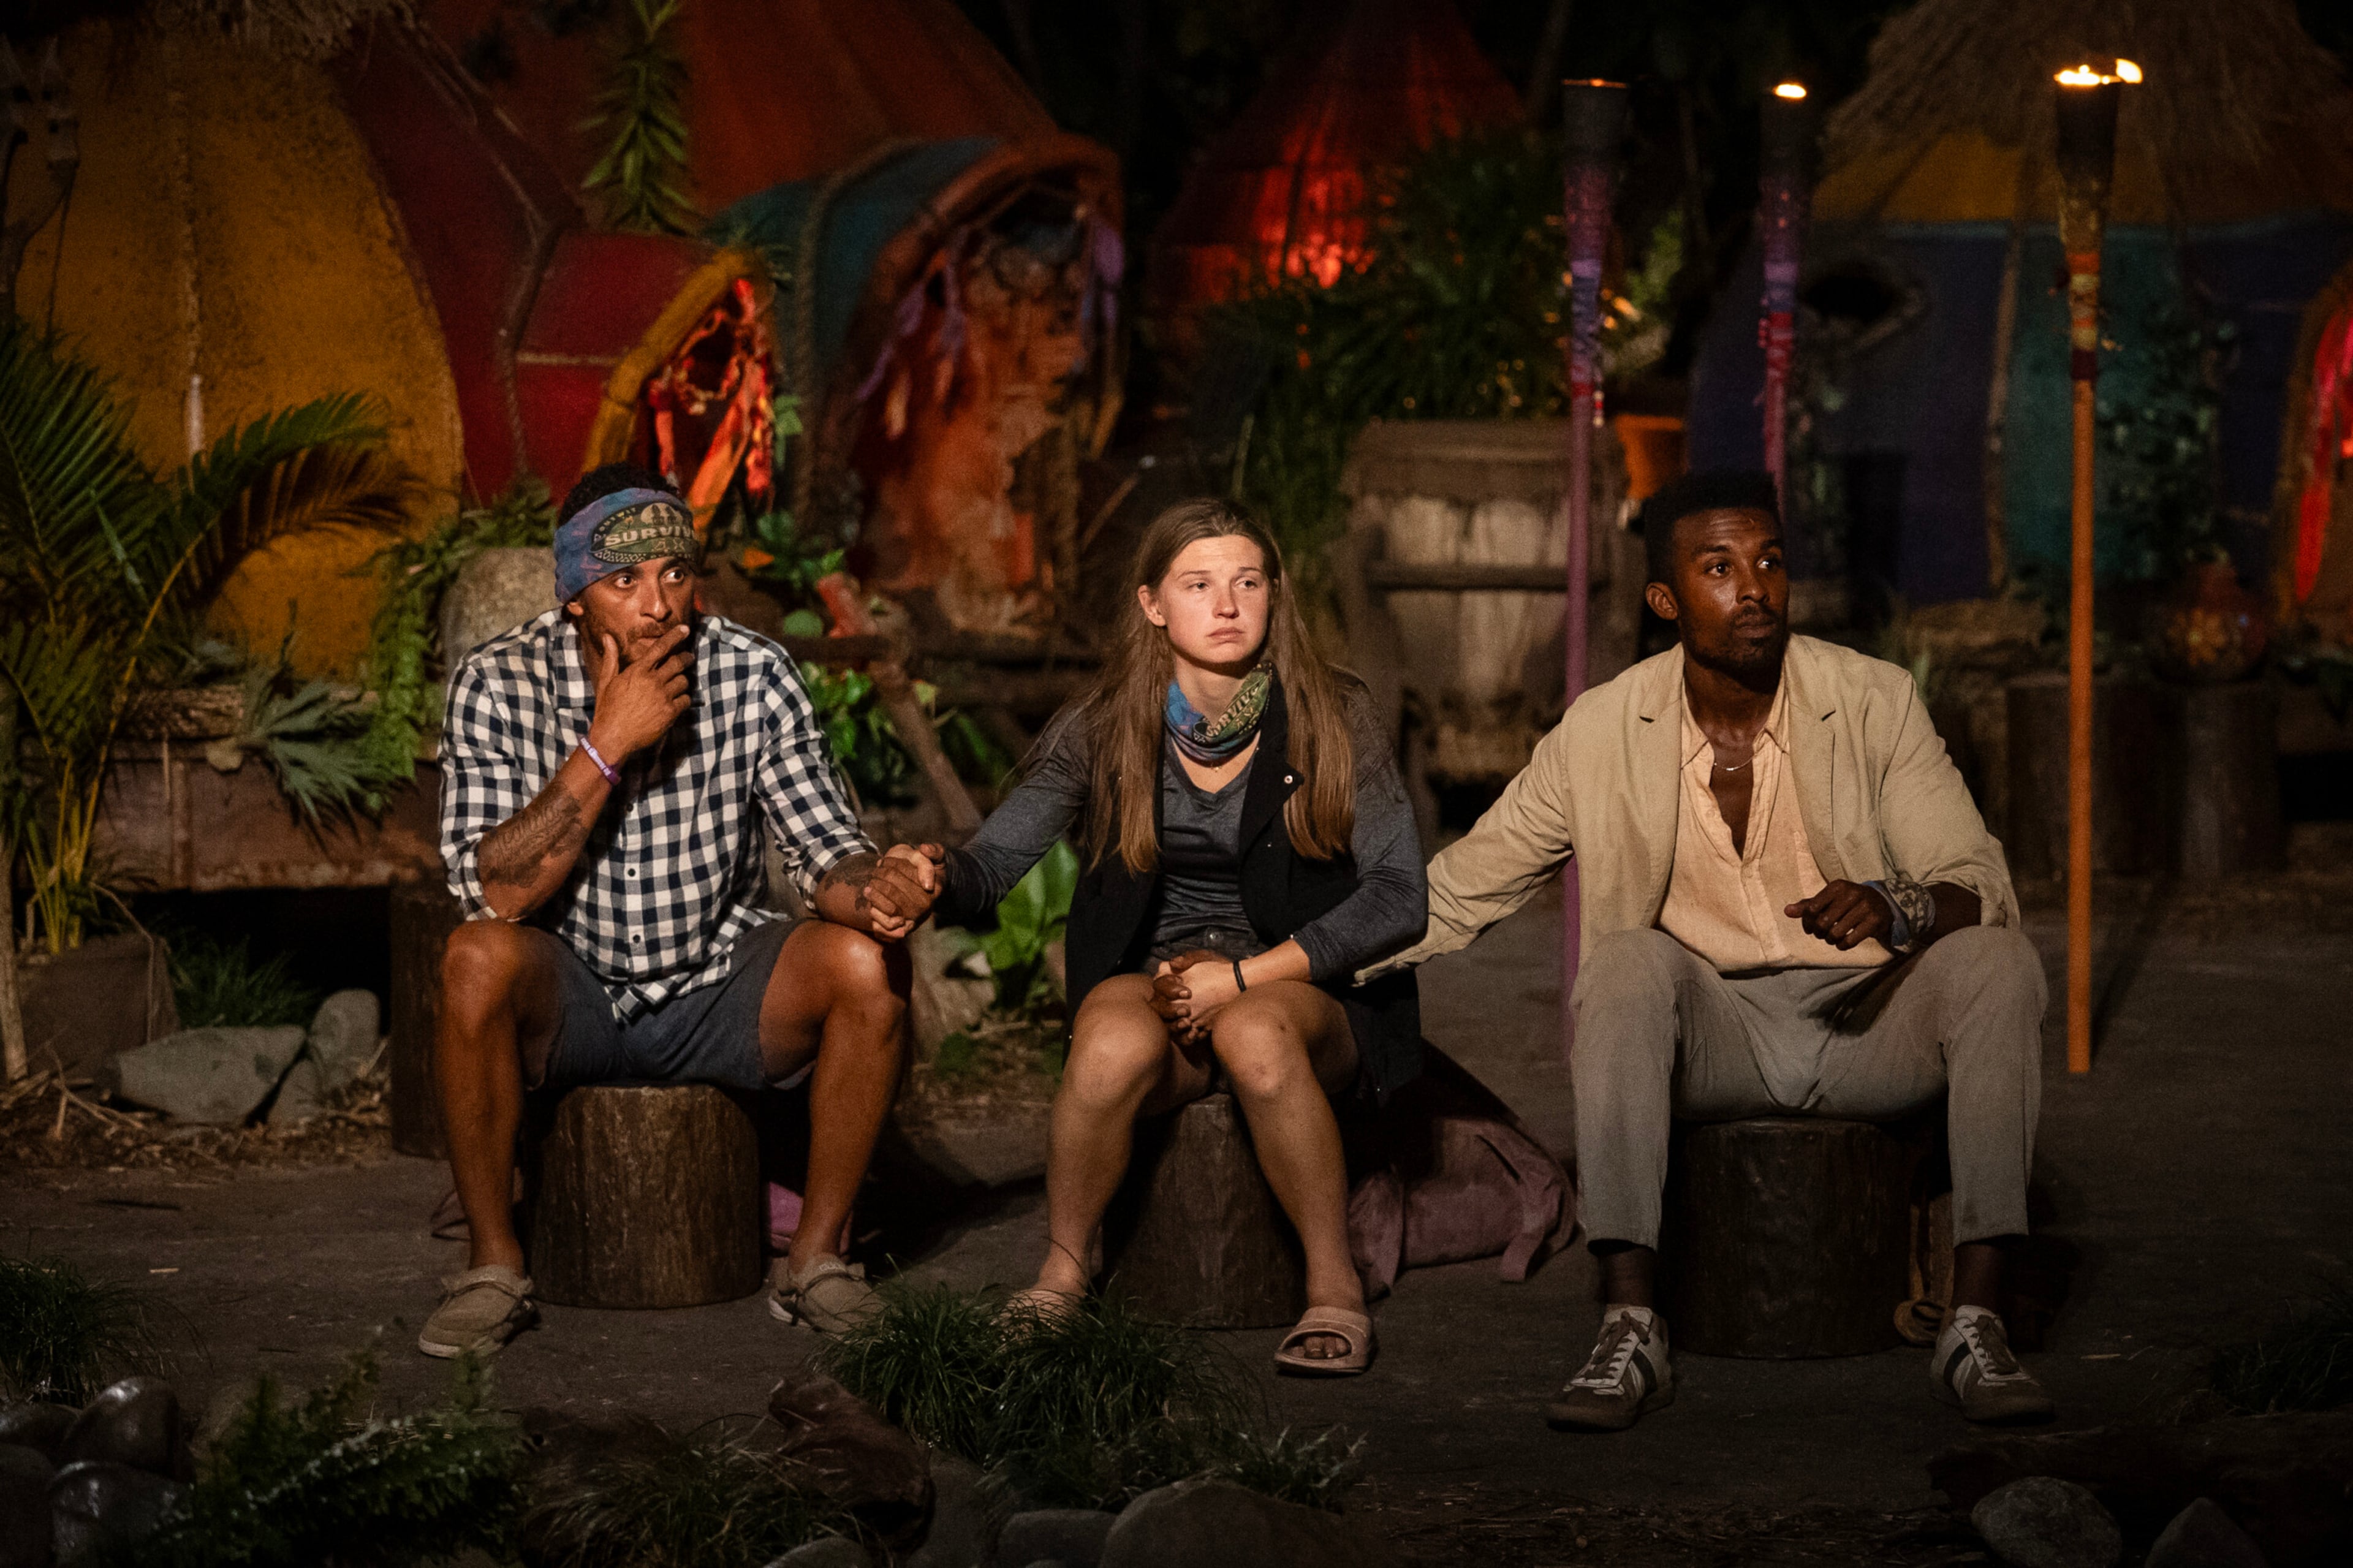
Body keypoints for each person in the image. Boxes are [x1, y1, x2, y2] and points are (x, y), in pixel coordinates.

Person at [1363, 471, 2052, 1430]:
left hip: (1868, 1028)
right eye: (1719, 568)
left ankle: (1975, 1321)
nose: (1756, 588)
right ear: (1666, 600)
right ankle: (1630, 1324)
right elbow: (1463, 885)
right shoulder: (1602, 730)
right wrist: (1290, 961)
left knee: (2001, 963)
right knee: (1625, 964)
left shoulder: (1872, 701)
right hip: (1710, 1037)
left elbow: (1980, 881)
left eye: (1769, 562)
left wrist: (1895, 907)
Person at [894, 498, 1426, 1374]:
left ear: (1274, 595)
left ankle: (1333, 1287)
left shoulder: (1335, 714)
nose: (1226, 605)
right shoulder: (1106, 723)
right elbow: (994, 862)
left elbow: (1402, 896)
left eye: (1247, 582)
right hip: (1156, 982)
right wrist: (931, 874)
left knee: (1254, 1036)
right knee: (1104, 1045)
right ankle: (1064, 1274)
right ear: (1153, 605)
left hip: (1298, 993)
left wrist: (1245, 979)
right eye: (1199, 584)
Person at [422, 463, 938, 1358]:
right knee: (473, 959)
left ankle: (816, 1262)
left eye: (675, 574)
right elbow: (495, 892)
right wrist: (605, 743)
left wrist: (880, 890)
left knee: (865, 964)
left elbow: (826, 852)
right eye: (625, 581)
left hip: (716, 982)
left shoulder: (751, 672)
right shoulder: (498, 681)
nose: (659, 604)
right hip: (570, 987)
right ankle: (493, 1267)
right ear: (576, 599)